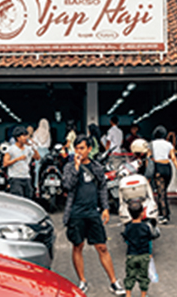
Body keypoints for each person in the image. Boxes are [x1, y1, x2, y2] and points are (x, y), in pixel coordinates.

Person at [63, 135, 126, 295]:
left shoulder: (97, 167)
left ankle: (113, 282)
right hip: (76, 213)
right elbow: (67, 185)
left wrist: (105, 207)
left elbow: (102, 187)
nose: (79, 152)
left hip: (93, 212)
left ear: (89, 149)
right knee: (78, 246)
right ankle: (82, 281)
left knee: (102, 247)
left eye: (82, 148)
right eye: (76, 149)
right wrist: (76, 168)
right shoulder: (69, 167)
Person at [150, 125, 177, 224]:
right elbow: (173, 158)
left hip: (158, 168)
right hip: (167, 168)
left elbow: (149, 158)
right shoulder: (169, 144)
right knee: (164, 192)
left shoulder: (151, 144)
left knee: (161, 193)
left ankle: (164, 215)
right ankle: (164, 213)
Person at [121, 201, 154, 297]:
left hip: (131, 254)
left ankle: (128, 294)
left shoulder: (128, 227)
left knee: (130, 275)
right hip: (144, 255)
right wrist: (150, 252)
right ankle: (143, 295)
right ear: (142, 213)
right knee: (143, 276)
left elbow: (126, 240)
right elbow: (149, 241)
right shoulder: (146, 227)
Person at [3, 126, 40, 199]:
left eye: (26, 135)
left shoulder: (27, 149)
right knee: (18, 198)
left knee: (29, 198)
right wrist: (17, 159)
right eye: (23, 135)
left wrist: (33, 148)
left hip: (26, 177)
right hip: (15, 178)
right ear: (18, 138)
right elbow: (5, 163)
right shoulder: (11, 149)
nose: (25, 137)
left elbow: (37, 158)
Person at [33, 118, 52, 189]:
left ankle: (36, 185)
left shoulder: (37, 132)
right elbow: (49, 144)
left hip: (38, 151)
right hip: (46, 152)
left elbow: (34, 143)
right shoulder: (48, 133)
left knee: (37, 168)